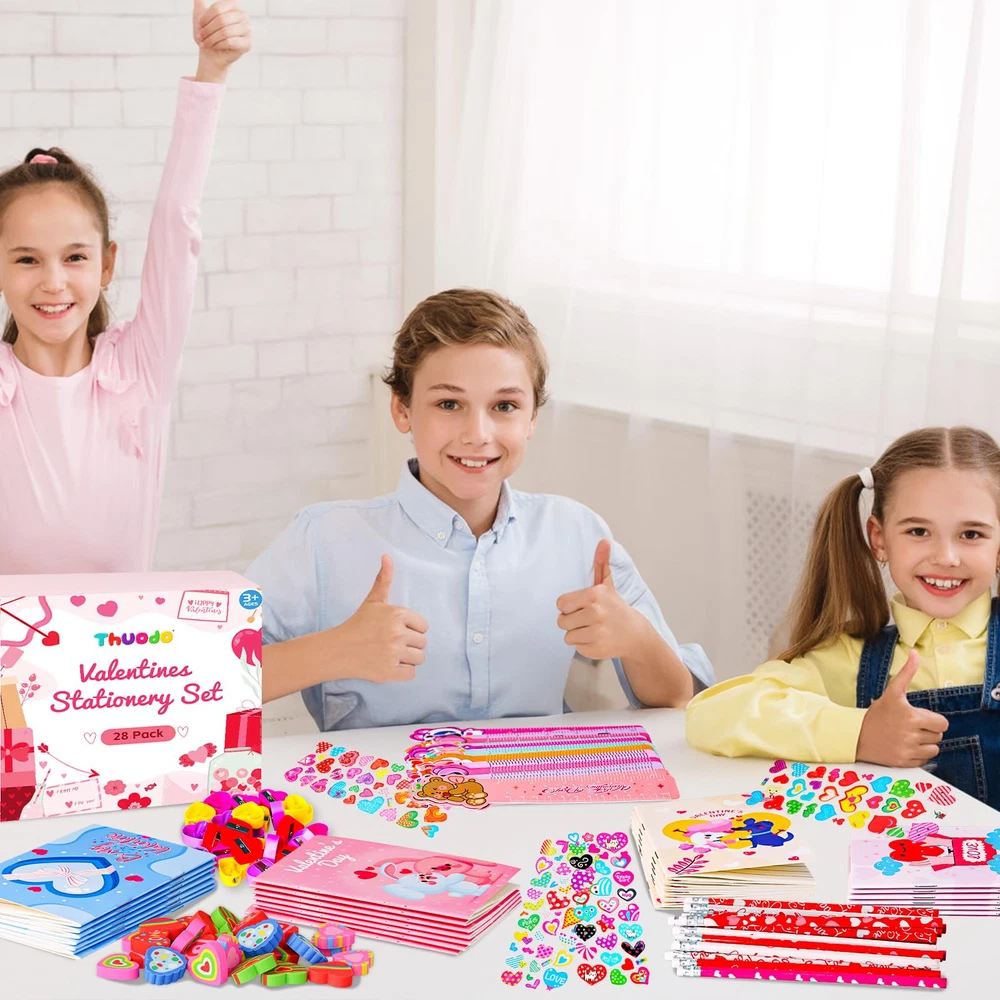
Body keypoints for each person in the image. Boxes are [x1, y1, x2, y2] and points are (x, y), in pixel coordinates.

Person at [249, 288, 714, 730]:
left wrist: (636, 638)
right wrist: (334, 651)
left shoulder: (575, 532)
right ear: (402, 410)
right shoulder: (324, 539)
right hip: (379, 785)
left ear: (532, 418)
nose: (477, 434)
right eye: (449, 403)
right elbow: (210, 681)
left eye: (505, 406)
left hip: (536, 777)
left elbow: (678, 699)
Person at [0, 0, 251, 573]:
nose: (53, 282)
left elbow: (177, 224)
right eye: (26, 259)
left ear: (107, 264)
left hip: (124, 633)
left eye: (75, 257)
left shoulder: (139, 369)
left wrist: (211, 72)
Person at [686, 427, 1000, 808]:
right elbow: (710, 715)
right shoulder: (851, 657)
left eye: (971, 534)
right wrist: (860, 732)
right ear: (879, 540)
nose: (946, 557)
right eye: (919, 531)